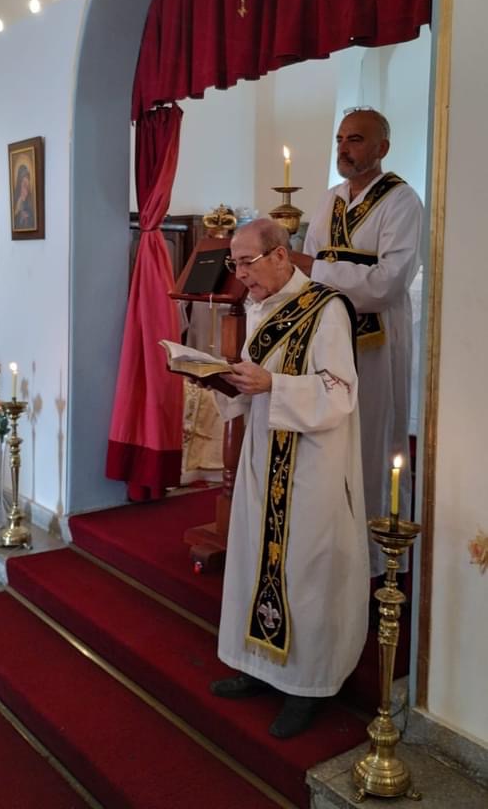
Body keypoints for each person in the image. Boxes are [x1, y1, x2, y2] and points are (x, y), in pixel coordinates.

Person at [209, 218, 369, 739]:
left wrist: (273, 385)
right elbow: (254, 380)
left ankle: (307, 686)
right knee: (256, 557)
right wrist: (222, 380)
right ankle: (258, 666)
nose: (239, 275)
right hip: (265, 454)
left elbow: (340, 392)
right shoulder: (261, 306)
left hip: (311, 465)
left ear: (280, 255)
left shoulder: (326, 309)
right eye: (234, 264)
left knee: (305, 571)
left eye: (246, 263)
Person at [301, 108, 423, 576]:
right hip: (328, 337)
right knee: (329, 442)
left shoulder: (401, 201)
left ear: (381, 148)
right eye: (340, 139)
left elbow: (387, 283)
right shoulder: (330, 199)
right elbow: (306, 265)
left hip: (376, 343)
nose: (343, 148)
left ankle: (378, 562)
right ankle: (331, 552)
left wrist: (316, 270)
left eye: (355, 139)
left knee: (373, 441)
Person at [13, 163, 35, 230]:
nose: (26, 189)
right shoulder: (16, 198)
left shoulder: (30, 199)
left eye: (27, 186)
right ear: (19, 183)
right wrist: (19, 214)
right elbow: (14, 219)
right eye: (24, 185)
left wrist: (28, 216)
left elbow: (33, 218)